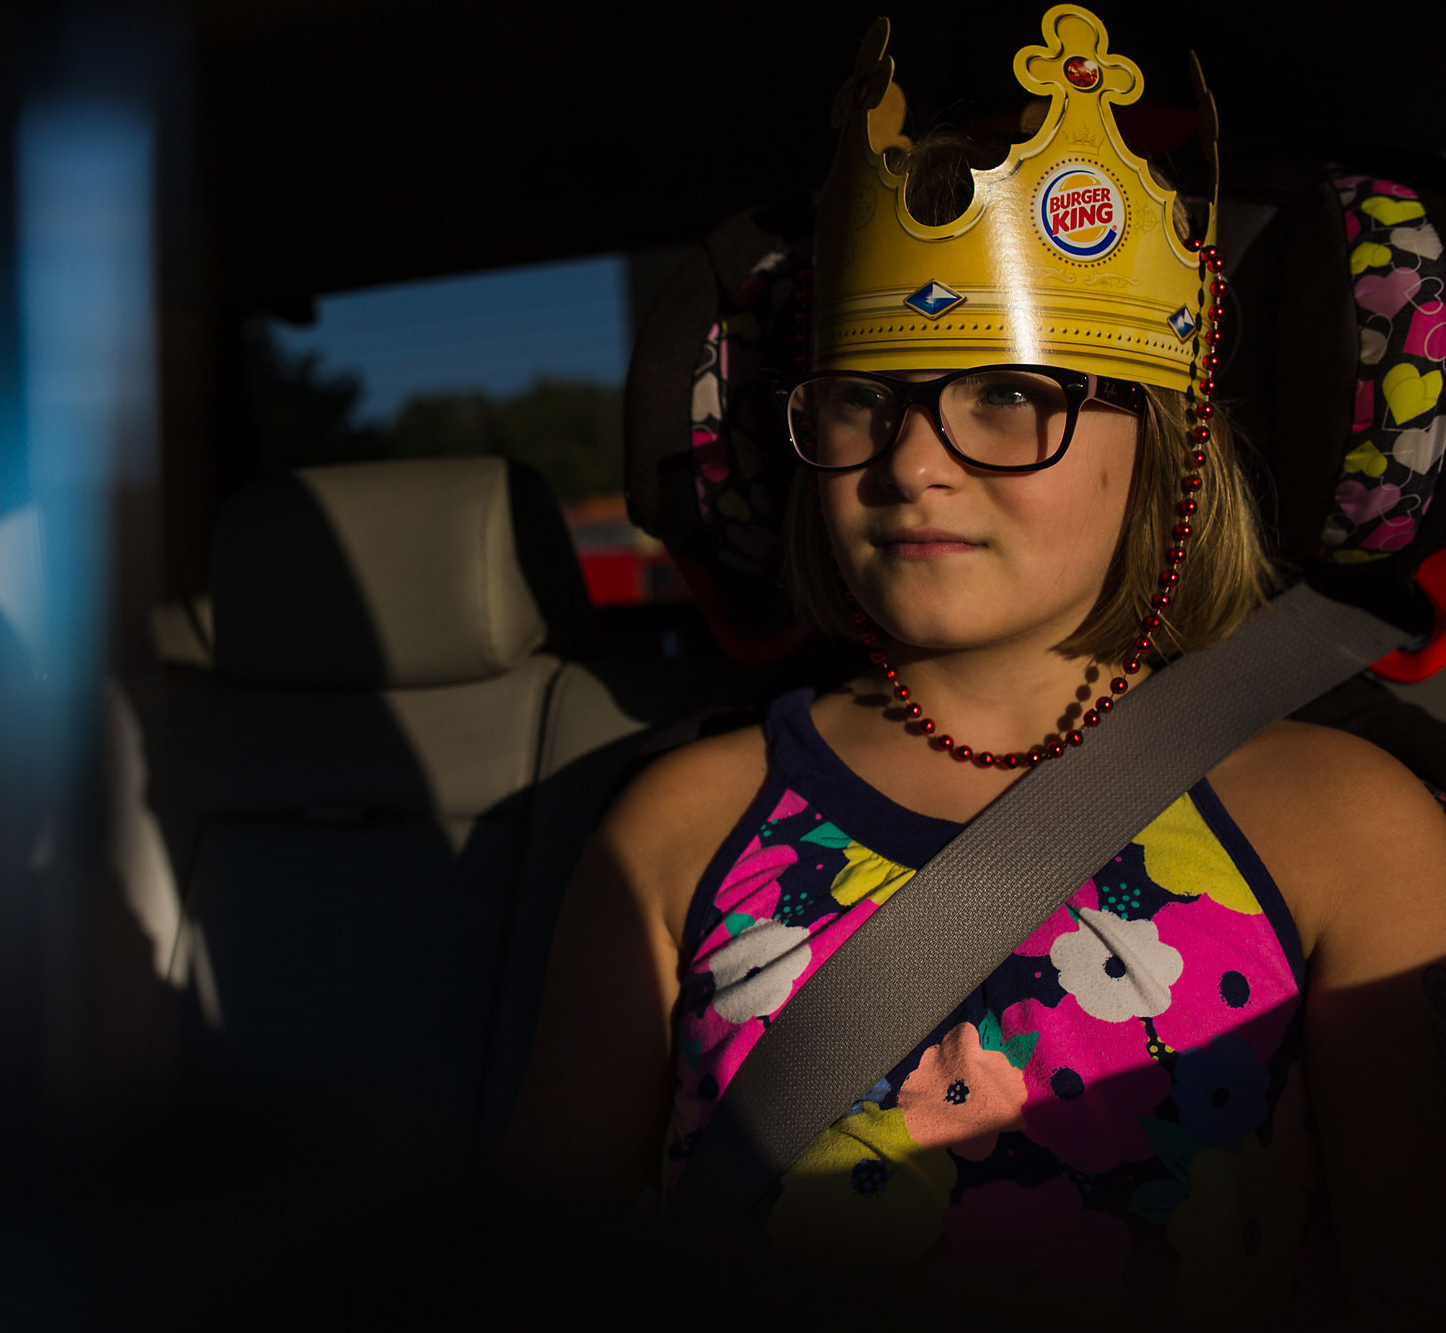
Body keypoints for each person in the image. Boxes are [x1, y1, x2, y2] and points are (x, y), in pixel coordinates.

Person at [498, 5, 1446, 1320]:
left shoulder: (1349, 826)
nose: (912, 461)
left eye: (1013, 393)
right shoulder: (676, 830)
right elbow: (539, 1273)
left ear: (1166, 449)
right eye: (862, 398)